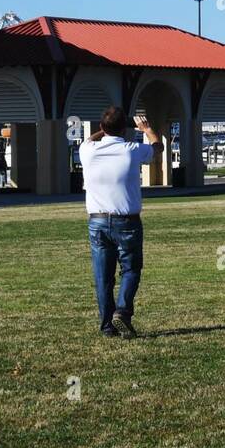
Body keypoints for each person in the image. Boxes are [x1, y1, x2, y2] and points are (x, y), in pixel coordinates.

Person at [79, 106, 162, 339]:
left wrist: (101, 132)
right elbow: (158, 148)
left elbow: (89, 139)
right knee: (131, 269)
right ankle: (123, 311)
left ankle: (107, 326)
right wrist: (146, 129)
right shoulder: (131, 150)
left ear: (102, 128)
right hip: (127, 220)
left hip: (97, 221)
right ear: (125, 129)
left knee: (103, 276)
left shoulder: (88, 151)